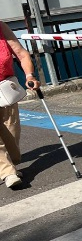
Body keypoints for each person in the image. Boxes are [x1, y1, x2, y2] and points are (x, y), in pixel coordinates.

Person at [0, 21, 40, 189]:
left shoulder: (1, 27)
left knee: (12, 130)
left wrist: (30, 76)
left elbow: (21, 54)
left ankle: (10, 164)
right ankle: (7, 171)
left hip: (5, 87)